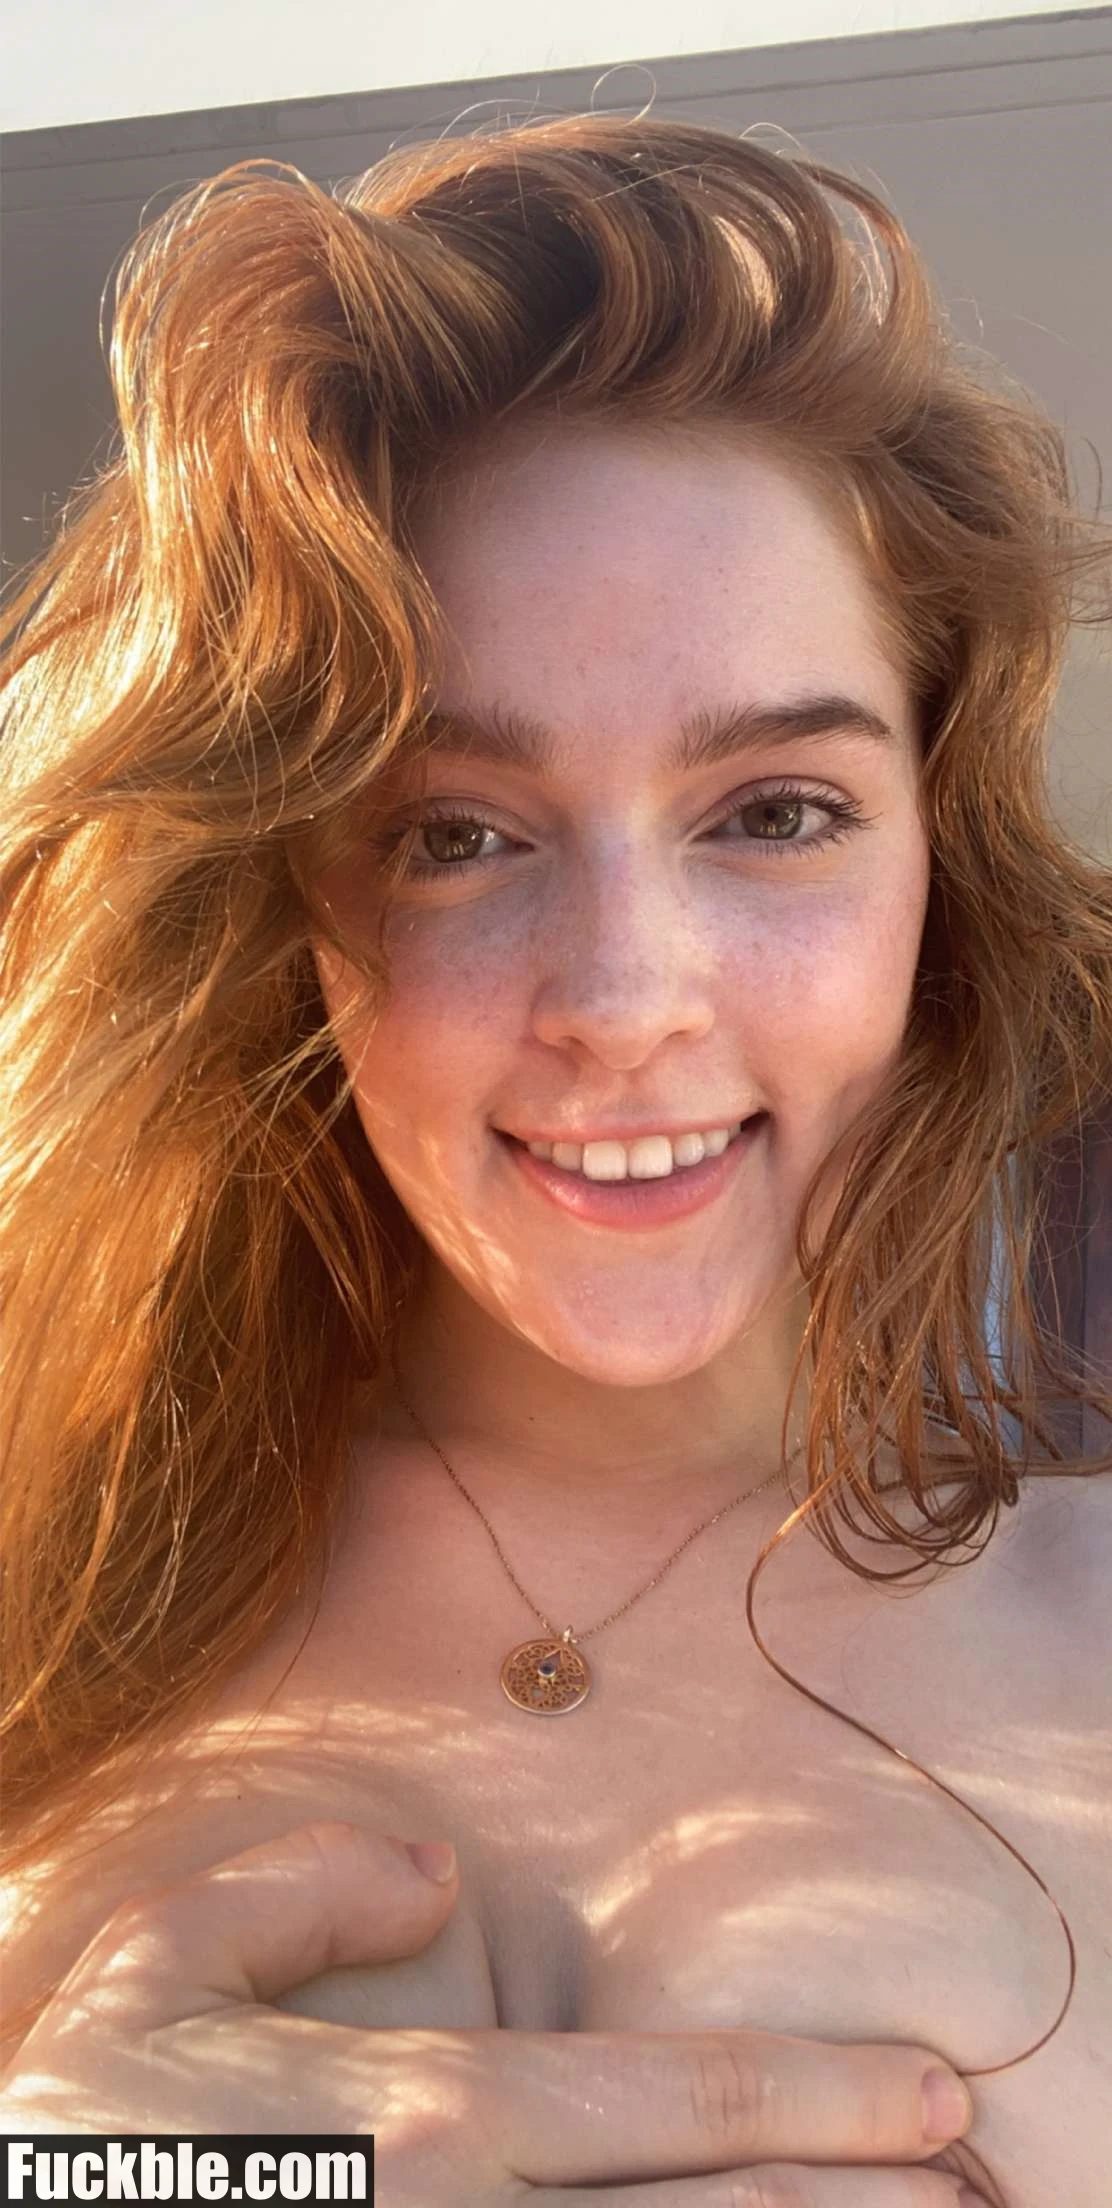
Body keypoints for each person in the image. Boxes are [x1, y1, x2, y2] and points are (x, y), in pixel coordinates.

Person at [1, 113, 1110, 2208]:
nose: (622, 994)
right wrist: (94, 2179)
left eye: (774, 812)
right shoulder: (43, 1589)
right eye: (453, 832)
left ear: (936, 875)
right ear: (286, 901)